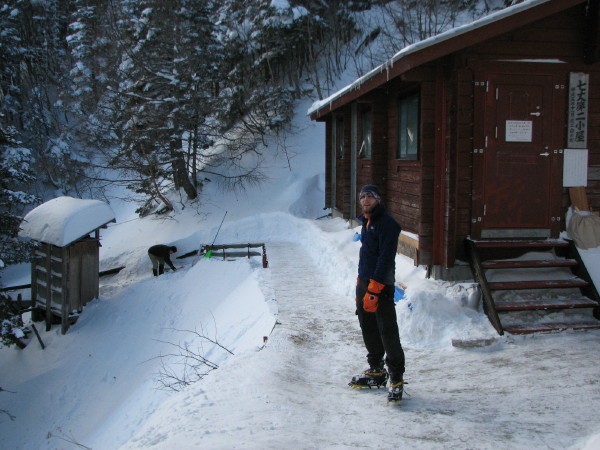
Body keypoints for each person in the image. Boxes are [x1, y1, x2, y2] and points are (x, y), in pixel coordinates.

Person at [353, 184, 406, 401]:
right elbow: (367, 255)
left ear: (378, 200)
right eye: (363, 196)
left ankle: (396, 377)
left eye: (370, 196)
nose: (365, 199)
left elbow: (385, 259)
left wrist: (374, 289)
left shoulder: (387, 224)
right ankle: (377, 369)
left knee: (387, 330)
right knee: (368, 326)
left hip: (381, 285)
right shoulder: (367, 221)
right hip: (365, 282)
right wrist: (360, 282)